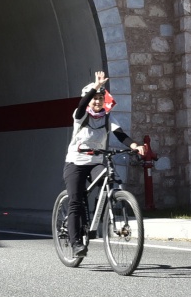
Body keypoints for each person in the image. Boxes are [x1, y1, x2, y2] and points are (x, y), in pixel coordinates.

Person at [62, 73, 146, 253]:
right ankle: (76, 243)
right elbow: (81, 105)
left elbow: (121, 135)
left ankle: (100, 213)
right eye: (94, 98)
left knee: (108, 180)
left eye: (101, 98)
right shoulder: (81, 115)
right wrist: (96, 86)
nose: (98, 101)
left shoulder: (107, 117)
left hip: (95, 162)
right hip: (76, 162)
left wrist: (135, 146)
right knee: (76, 201)